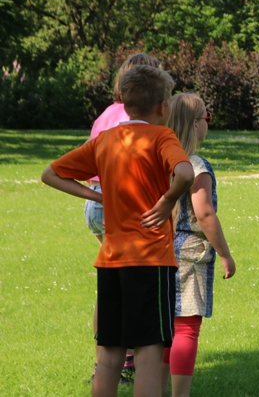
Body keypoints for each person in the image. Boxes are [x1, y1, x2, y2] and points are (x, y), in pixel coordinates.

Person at [42, 64, 194, 397]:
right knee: (149, 352)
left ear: (125, 103)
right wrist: (168, 200)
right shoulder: (162, 136)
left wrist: (97, 195)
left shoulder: (105, 140)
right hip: (151, 260)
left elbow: (50, 174)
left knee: (109, 354)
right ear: (162, 107)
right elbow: (185, 173)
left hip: (111, 260)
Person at [84, 52, 161, 385]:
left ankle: (103, 360)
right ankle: (128, 356)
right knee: (132, 284)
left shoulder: (106, 114)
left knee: (111, 284)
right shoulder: (136, 118)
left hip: (96, 202)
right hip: (120, 203)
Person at [162, 93, 236, 397]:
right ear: (195, 124)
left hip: (160, 248)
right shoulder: (195, 165)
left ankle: (156, 388)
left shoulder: (160, 160)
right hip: (191, 253)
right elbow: (204, 214)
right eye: (207, 117)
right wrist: (226, 254)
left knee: (164, 326)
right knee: (186, 327)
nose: (208, 123)